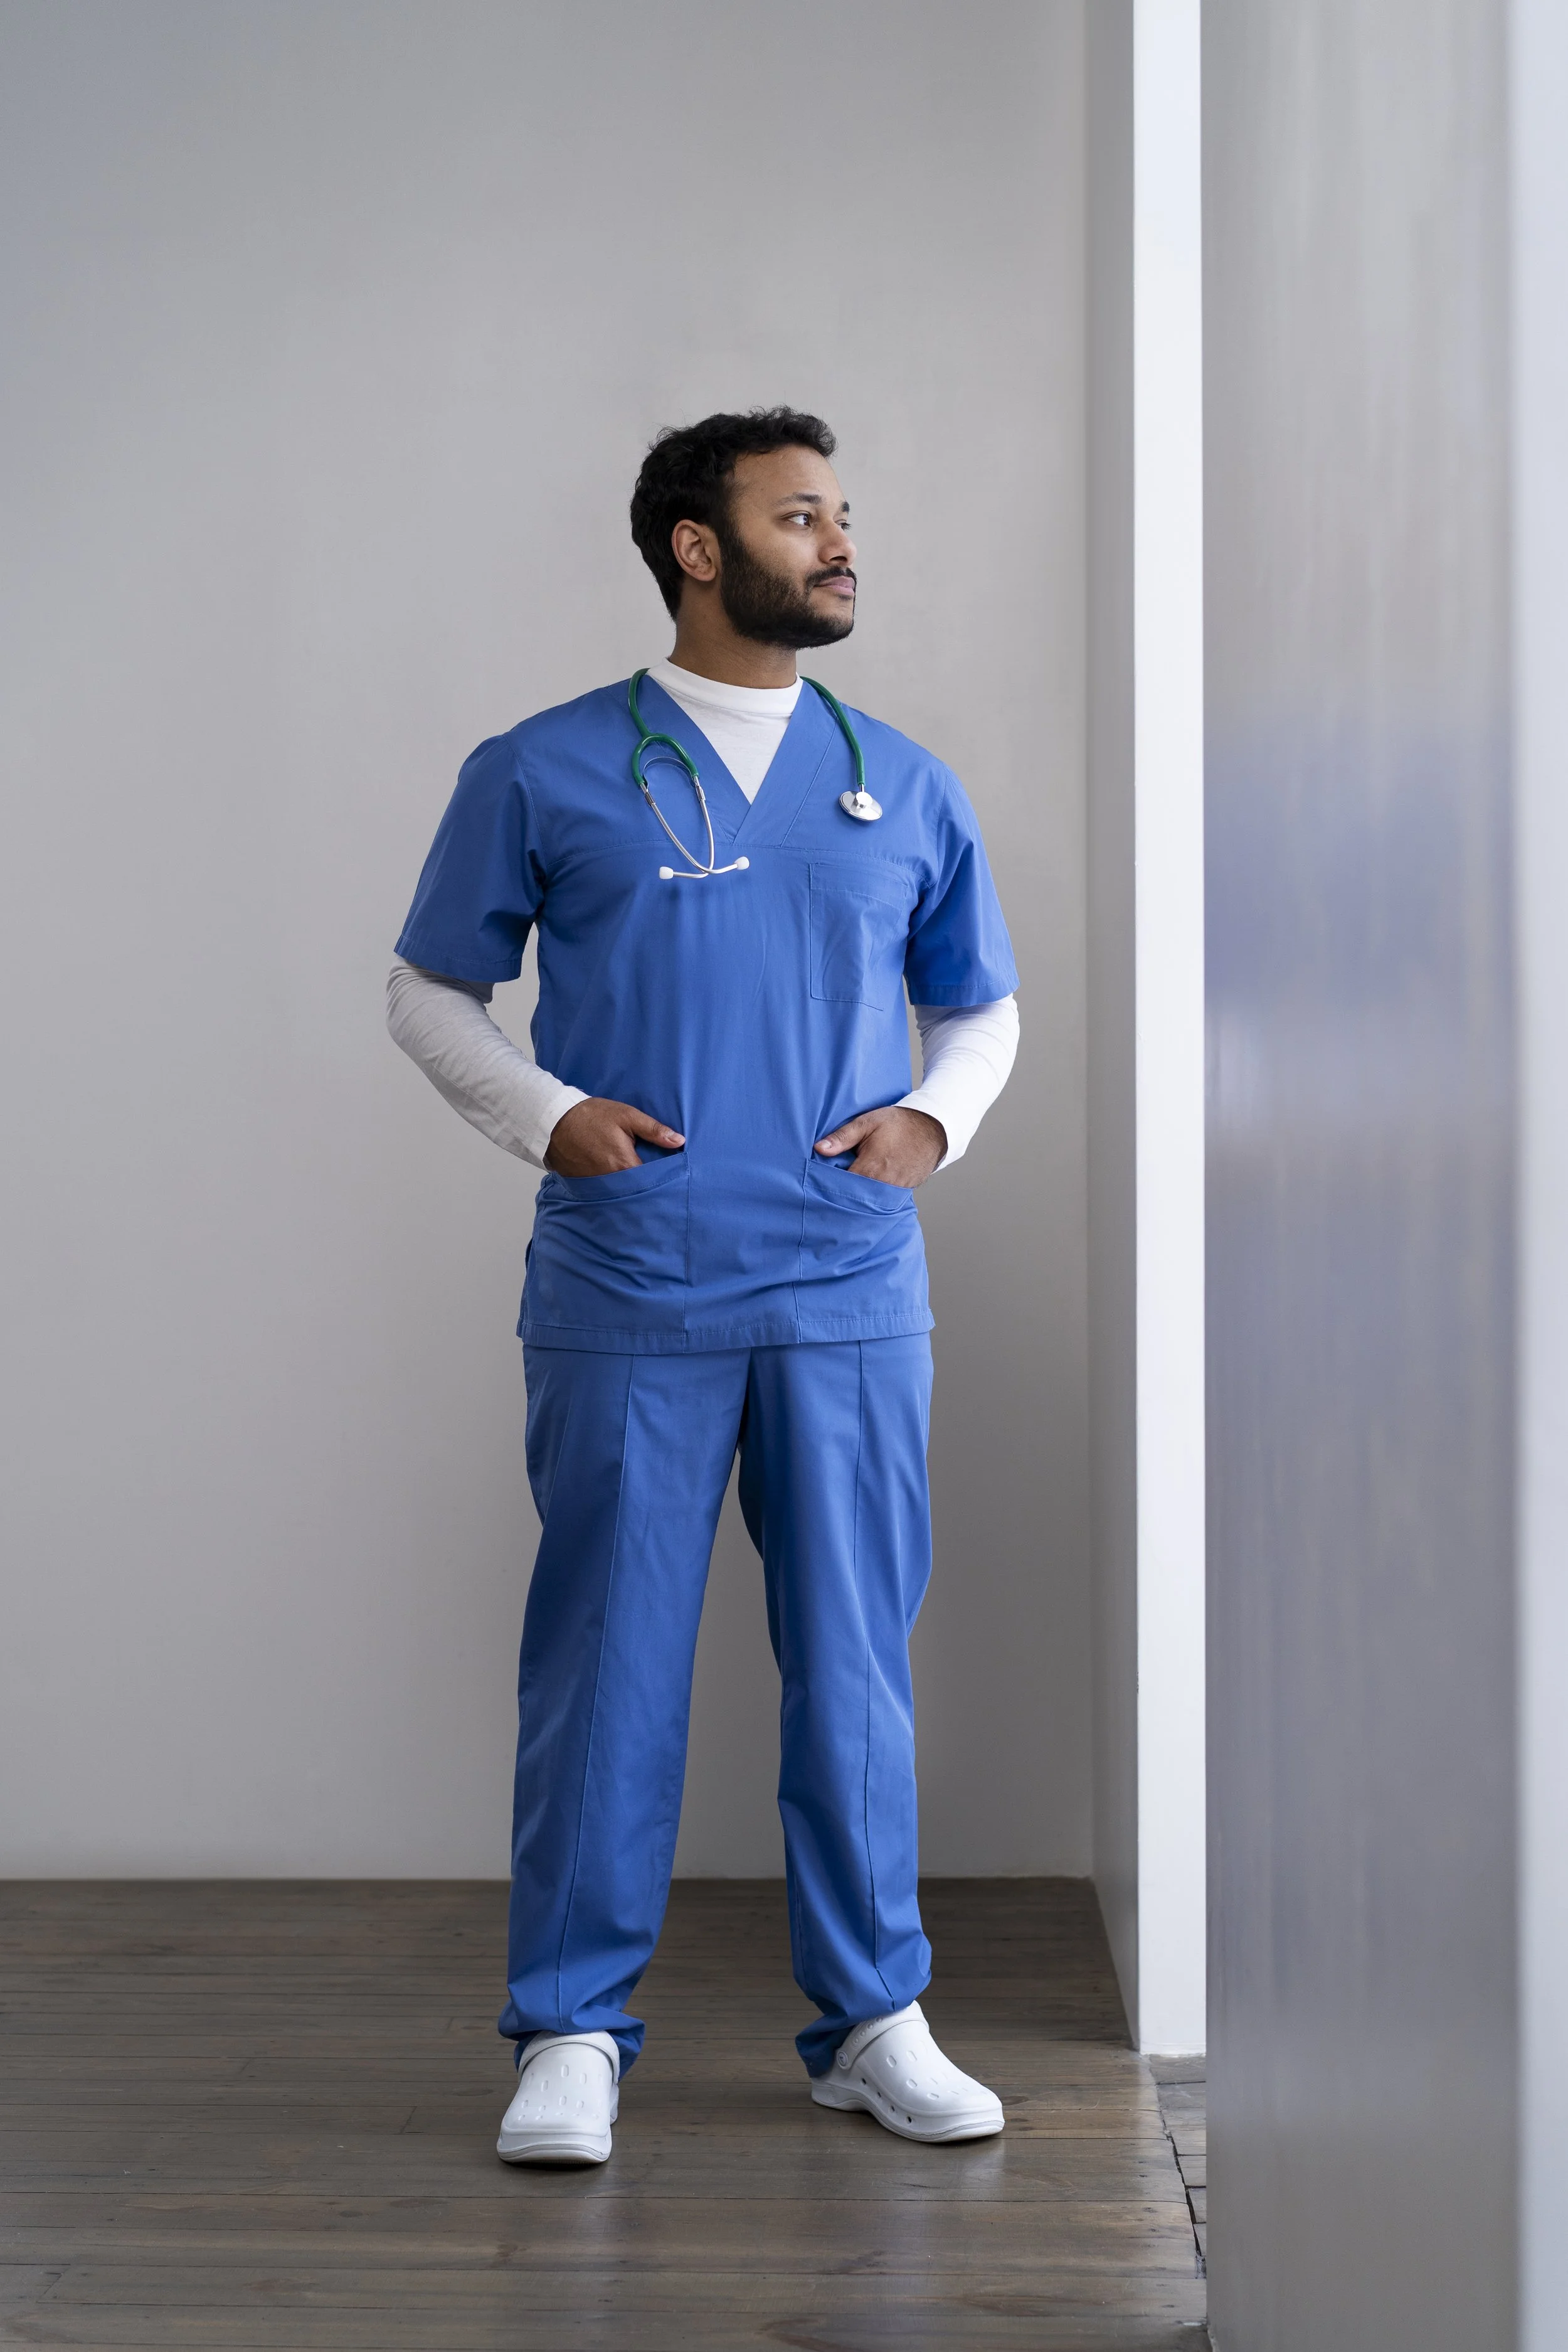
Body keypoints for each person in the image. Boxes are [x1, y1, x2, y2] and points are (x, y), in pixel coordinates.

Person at [388, 408, 1020, 2165]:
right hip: (633, 1283)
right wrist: (547, 1117)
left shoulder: (901, 781)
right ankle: (571, 2029)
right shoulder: (544, 767)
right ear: (696, 547)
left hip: (844, 1284)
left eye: (841, 515)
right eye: (800, 515)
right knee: (606, 1665)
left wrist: (934, 1121)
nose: (840, 543)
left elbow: (980, 1004)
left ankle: (873, 2019)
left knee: (854, 1662)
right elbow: (428, 990)